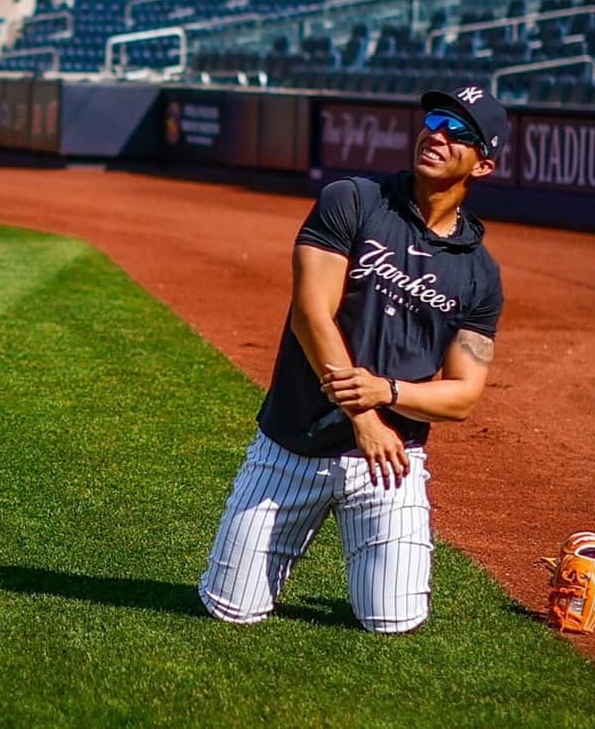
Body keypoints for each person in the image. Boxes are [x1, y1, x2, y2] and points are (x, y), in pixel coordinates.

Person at [199, 83, 509, 633]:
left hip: (390, 463)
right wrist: (363, 416)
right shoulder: (352, 201)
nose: (436, 134)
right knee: (231, 610)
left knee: (393, 621)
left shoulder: (480, 274)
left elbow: (463, 395)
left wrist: (386, 393)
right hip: (294, 446)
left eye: (458, 131)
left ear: (482, 165)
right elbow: (310, 315)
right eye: (434, 121)